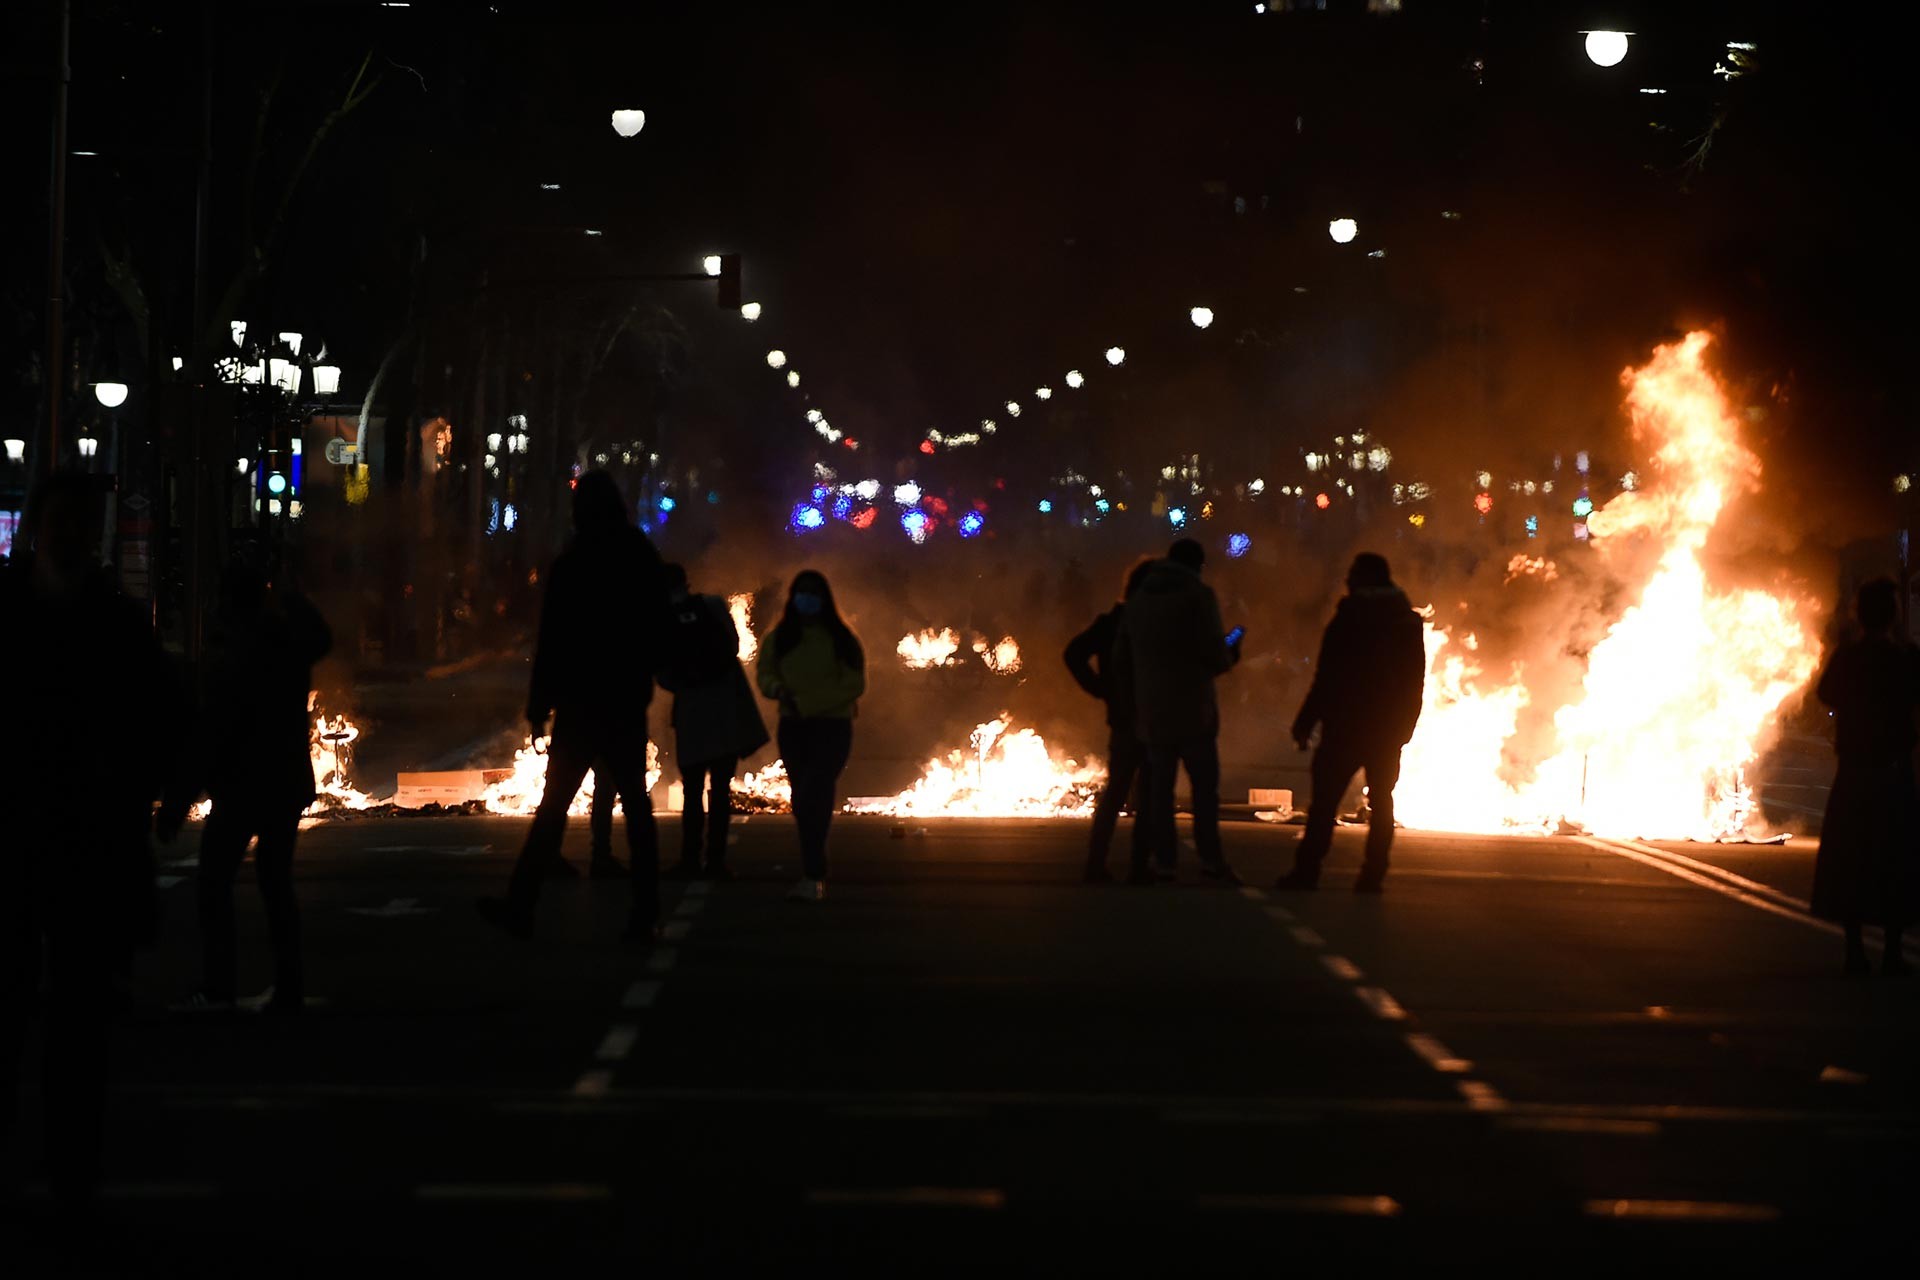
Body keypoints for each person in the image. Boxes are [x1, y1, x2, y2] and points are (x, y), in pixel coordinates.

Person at [2, 473, 176, 1213]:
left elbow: (159, 716)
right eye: (59, 523)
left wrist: (156, 794)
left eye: (80, 524)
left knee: (79, 1020)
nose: (68, 535)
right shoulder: (9, 615)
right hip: (12, 835)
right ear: (37, 530)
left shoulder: (116, 624)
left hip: (88, 839)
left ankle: (74, 1172)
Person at [479, 471, 668, 942]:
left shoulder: (574, 562)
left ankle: (521, 906)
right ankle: (645, 917)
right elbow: (656, 627)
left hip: (581, 704)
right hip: (623, 700)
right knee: (638, 813)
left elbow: (554, 640)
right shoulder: (639, 557)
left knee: (553, 809)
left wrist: (538, 707)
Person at [162, 558, 332, 1014]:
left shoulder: (232, 651)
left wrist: (179, 798)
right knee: (275, 883)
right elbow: (322, 638)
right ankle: (289, 986)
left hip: (242, 786)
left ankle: (221, 984)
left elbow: (212, 730)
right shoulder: (285, 641)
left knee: (214, 883)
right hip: (282, 783)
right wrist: (292, 595)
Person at [1276, 552, 1426, 894]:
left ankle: (1307, 871)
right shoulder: (1407, 622)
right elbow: (1414, 681)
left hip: (1345, 726)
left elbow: (1327, 676)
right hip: (1387, 730)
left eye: (1352, 575)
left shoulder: (1348, 619)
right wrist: (1406, 727)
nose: (1346, 580)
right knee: (1382, 800)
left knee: (1325, 802)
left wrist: (1305, 721)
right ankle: (1373, 876)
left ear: (1364, 579)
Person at [1809, 578, 1920, 975]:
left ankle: (1855, 951)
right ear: (1891, 615)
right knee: (1895, 860)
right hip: (1891, 771)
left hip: (1857, 771)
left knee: (1852, 859)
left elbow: (1826, 693)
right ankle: (1891, 952)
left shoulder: (1852, 655)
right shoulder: (1905, 656)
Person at [1115, 538, 1241, 883]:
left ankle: (1165, 861)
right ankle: (1211, 860)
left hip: (1152, 708)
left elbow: (1123, 656)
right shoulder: (1200, 598)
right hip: (1193, 707)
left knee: (1158, 791)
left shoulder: (1138, 601)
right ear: (1196, 566)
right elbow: (1215, 656)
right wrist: (1232, 653)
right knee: (1203, 790)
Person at [756, 570, 866, 902]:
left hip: (831, 728)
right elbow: (765, 674)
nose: (807, 599)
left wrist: (808, 703)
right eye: (801, 592)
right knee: (803, 800)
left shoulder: (842, 639)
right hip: (794, 728)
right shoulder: (780, 638)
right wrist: (779, 691)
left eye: (813, 592)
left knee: (815, 791)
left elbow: (854, 684)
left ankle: (814, 869)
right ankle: (812, 867)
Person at [658, 563, 770, 880]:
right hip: (724, 709)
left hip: (692, 711)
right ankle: (716, 861)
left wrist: (685, 681)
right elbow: (733, 646)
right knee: (719, 791)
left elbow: (662, 672)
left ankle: (689, 860)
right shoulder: (712, 605)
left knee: (693, 791)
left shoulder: (659, 619)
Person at [1064, 557, 1157, 884]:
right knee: (1143, 793)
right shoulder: (1140, 624)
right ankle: (1137, 867)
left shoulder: (1114, 622)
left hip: (1128, 718)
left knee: (1120, 791)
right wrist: (1101, 689)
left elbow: (1073, 654)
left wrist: (1102, 690)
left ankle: (1098, 864)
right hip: (1146, 719)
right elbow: (1073, 654)